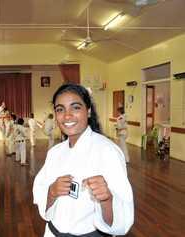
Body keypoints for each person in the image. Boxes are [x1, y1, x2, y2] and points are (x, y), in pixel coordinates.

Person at [33, 83, 134, 237]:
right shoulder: (55, 153)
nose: (67, 115)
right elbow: (41, 193)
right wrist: (51, 192)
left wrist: (107, 199)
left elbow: (121, 222)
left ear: (88, 111)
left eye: (75, 107)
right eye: (60, 109)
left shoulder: (107, 151)